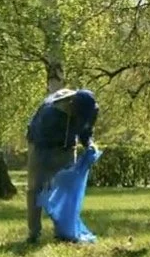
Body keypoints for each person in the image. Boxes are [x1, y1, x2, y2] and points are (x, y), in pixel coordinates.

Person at [25, 89, 99, 244]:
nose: (81, 118)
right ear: (71, 106)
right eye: (78, 115)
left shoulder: (90, 110)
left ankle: (64, 231)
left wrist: (89, 144)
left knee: (67, 189)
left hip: (67, 147)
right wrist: (46, 173)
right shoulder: (50, 112)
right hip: (41, 146)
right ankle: (34, 233)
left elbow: (85, 129)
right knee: (36, 189)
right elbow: (40, 139)